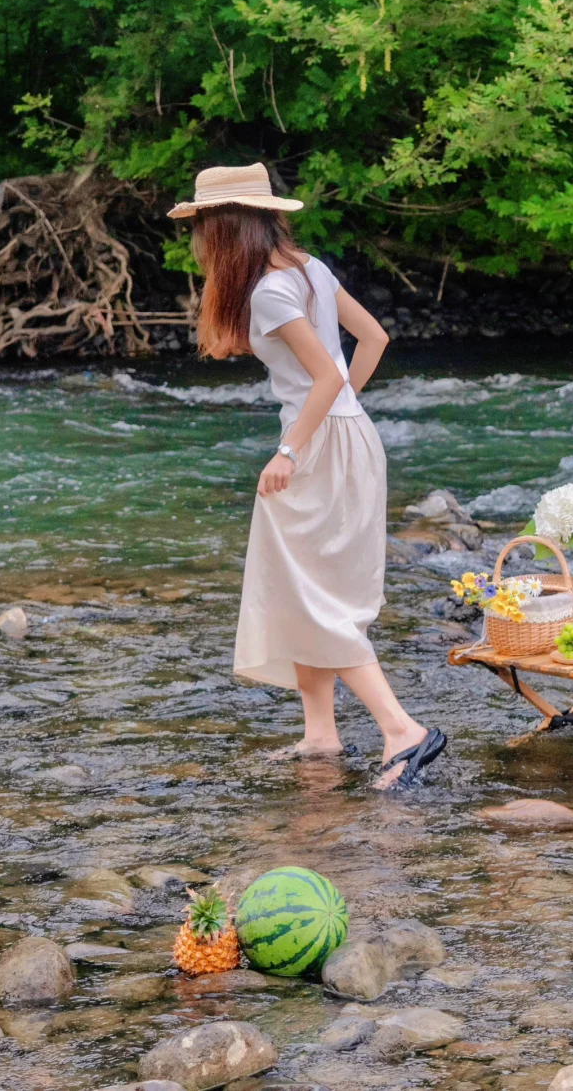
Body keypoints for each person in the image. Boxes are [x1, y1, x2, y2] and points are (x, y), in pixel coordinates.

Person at [168, 163, 446, 789]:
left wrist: (291, 450)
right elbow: (373, 340)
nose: (197, 243)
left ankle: (405, 732)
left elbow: (326, 377)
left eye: (203, 228)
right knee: (305, 588)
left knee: (314, 596)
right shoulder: (309, 269)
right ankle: (320, 733)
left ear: (225, 230)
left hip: (315, 445)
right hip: (344, 435)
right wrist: (343, 413)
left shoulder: (268, 291)